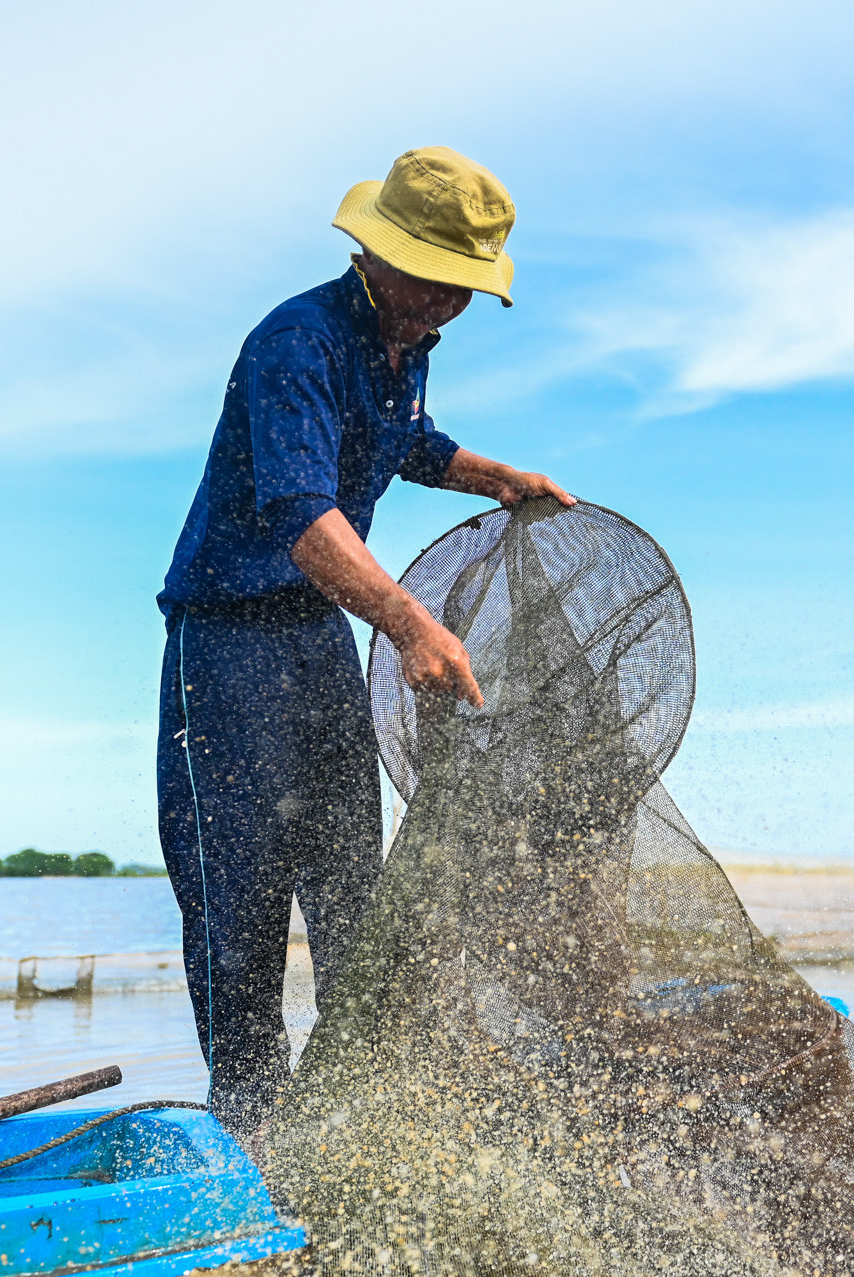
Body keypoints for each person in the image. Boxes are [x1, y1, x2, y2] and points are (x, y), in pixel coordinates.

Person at [154, 147, 574, 1143]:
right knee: (241, 907)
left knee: (352, 888)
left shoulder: (407, 340)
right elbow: (303, 515)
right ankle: (251, 1130)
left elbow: (407, 444)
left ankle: (364, 1122)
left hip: (317, 636)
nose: (448, 305)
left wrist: (497, 476)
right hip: (225, 646)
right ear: (378, 254)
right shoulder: (296, 343)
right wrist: (413, 621)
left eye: (465, 289)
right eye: (435, 280)